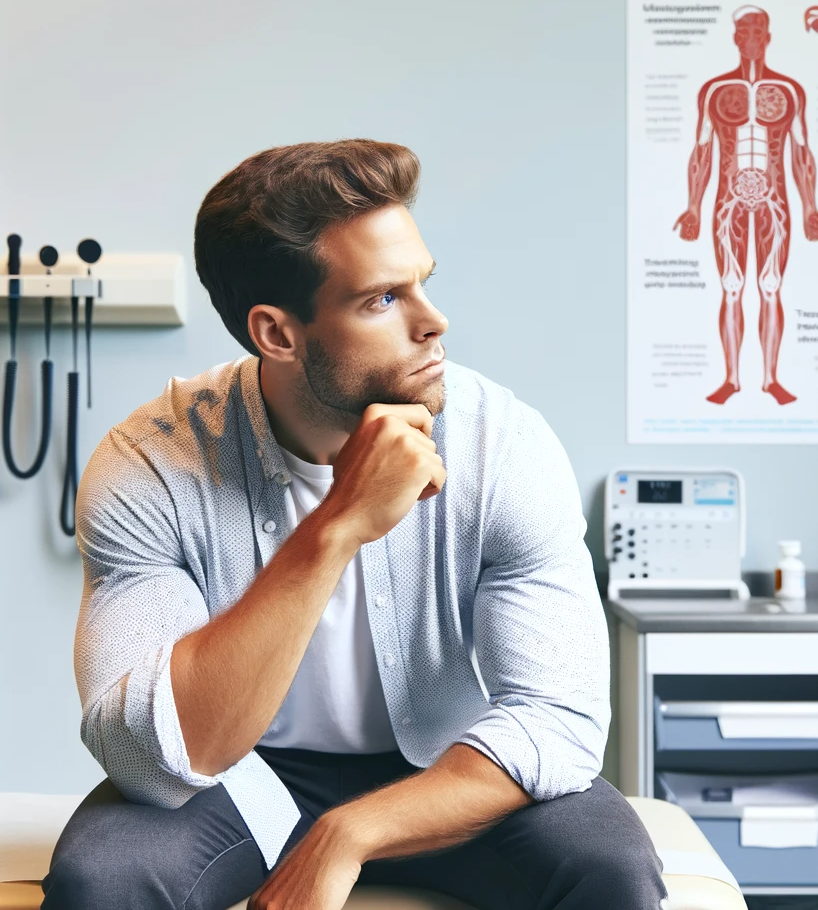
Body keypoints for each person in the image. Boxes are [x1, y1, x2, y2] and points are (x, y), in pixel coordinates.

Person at [42, 141, 666, 909]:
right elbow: (148, 757)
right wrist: (336, 525)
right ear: (277, 333)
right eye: (381, 300)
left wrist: (349, 833)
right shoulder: (149, 464)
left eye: (423, 285)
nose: (434, 323)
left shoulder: (503, 444)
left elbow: (558, 719)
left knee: (611, 868)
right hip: (239, 779)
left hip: (456, 765)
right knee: (98, 880)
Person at [674, 5, 818, 406]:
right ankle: (731, 379)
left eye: (758, 30)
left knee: (771, 287)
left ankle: (771, 379)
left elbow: (801, 152)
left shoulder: (789, 91)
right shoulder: (714, 91)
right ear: (735, 37)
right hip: (728, 201)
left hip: (775, 202)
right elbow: (702, 151)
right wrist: (692, 206)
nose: (751, 38)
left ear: (769, 36)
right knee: (731, 288)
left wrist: (810, 206)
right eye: (744, 31)